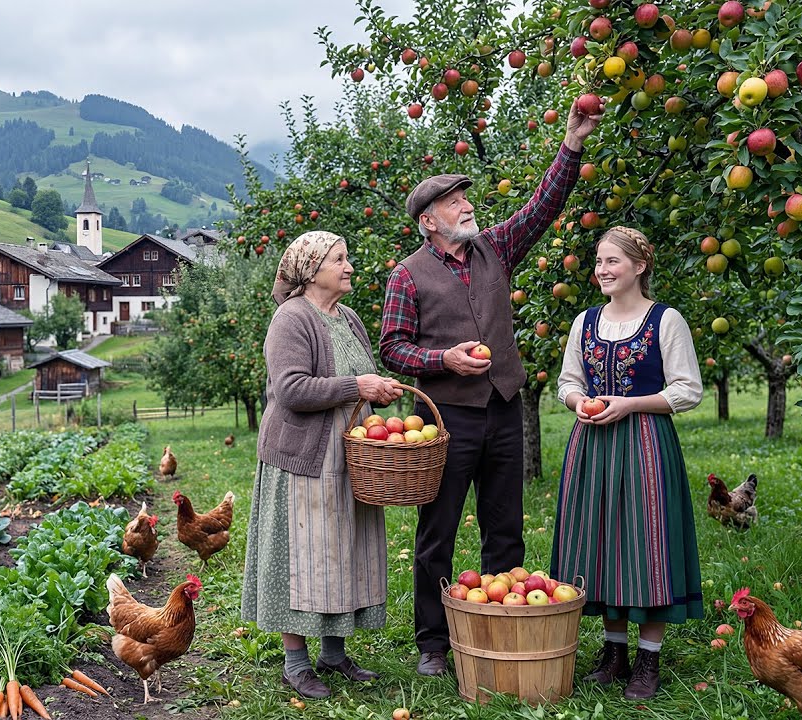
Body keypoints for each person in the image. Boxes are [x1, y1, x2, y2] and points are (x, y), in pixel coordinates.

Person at [380, 101, 603, 677]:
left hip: (503, 408)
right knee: (438, 532)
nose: (467, 205)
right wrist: (443, 359)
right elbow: (393, 348)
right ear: (429, 220)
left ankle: (502, 625)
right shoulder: (407, 275)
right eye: (455, 202)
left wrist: (571, 145)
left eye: (465, 198)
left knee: (504, 528)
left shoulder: (494, 248)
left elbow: (542, 208)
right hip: (449, 418)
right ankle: (434, 642)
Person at [241, 231, 404, 700]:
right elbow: (292, 389)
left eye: (347, 257)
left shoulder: (349, 318)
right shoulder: (291, 318)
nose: (349, 266)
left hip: (353, 454)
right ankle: (296, 663)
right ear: (312, 270)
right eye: (340, 259)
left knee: (342, 550)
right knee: (302, 559)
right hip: (304, 458)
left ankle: (334, 653)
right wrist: (358, 386)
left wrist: (379, 389)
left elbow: (362, 378)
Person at [551, 226, 704, 699]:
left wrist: (630, 403)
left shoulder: (666, 320)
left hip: (645, 445)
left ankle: (647, 661)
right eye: (598, 262)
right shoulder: (586, 321)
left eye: (612, 261)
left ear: (639, 266)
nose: (601, 270)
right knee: (598, 541)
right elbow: (567, 380)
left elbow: (687, 389)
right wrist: (579, 400)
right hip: (592, 444)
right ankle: (613, 652)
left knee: (645, 544)